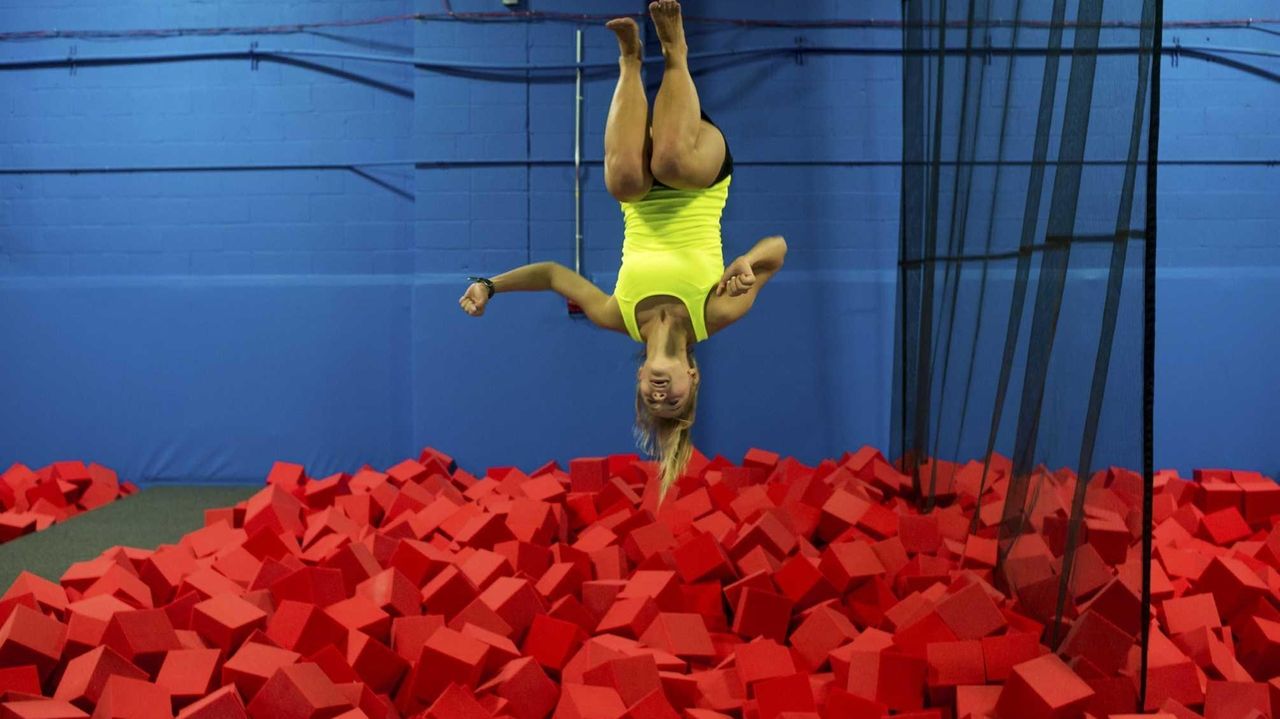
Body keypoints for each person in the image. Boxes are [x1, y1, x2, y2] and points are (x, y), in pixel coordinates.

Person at [459, 0, 787, 500]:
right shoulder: (715, 313)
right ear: (692, 378)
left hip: (640, 180)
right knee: (673, 161)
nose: (661, 396)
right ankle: (676, 50)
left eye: (651, 401)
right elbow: (779, 249)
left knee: (623, 181)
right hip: (699, 166)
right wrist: (748, 261)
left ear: (637, 377)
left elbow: (550, 274)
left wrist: (489, 285)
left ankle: (630, 60)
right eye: (674, 402)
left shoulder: (618, 314)